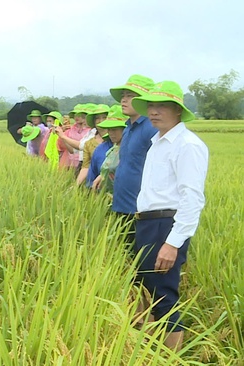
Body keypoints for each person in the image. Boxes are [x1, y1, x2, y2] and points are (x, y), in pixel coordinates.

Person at [130, 81, 208, 351]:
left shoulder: (187, 145)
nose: (153, 111)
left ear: (177, 110)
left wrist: (173, 243)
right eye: (150, 105)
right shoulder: (157, 143)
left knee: (163, 296)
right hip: (148, 223)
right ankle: (150, 350)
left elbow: (192, 198)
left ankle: (171, 357)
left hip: (166, 225)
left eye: (161, 105)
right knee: (147, 290)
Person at [105, 74, 156, 239]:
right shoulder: (127, 128)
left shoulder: (151, 128)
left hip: (139, 209)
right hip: (121, 204)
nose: (123, 100)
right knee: (123, 255)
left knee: (137, 257)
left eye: (130, 96)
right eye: (123, 96)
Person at [87, 105, 126, 188]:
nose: (111, 133)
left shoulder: (134, 150)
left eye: (114, 129)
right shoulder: (106, 150)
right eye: (109, 129)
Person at [76, 104, 109, 185]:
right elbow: (85, 167)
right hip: (94, 184)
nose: (100, 120)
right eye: (97, 118)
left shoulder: (116, 140)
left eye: (104, 117)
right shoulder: (89, 144)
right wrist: (76, 185)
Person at [55, 103, 91, 172]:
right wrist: (62, 135)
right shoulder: (70, 129)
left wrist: (63, 136)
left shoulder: (91, 131)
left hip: (85, 163)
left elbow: (81, 146)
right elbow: (71, 150)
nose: (76, 117)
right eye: (75, 115)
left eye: (79, 115)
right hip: (70, 162)